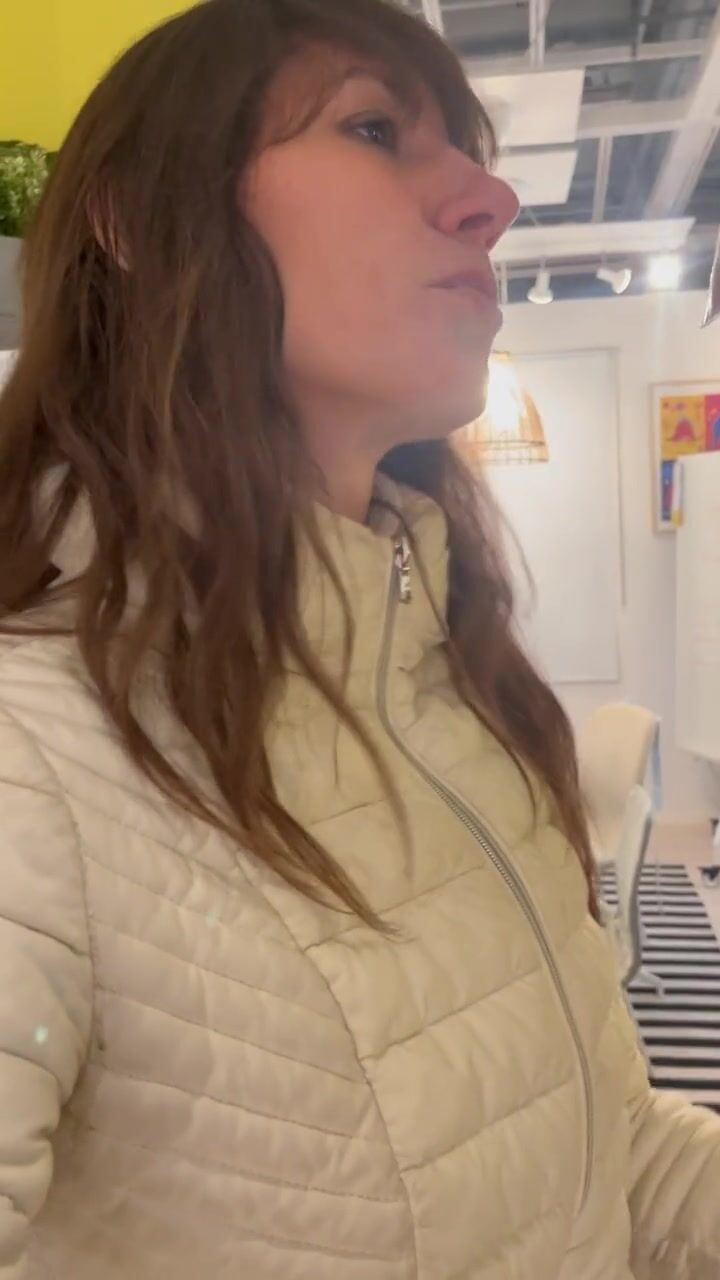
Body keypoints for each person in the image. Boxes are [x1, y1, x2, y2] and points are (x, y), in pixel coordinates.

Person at [0, 0, 718, 1276]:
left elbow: (611, 1151)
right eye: (376, 128)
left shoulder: (465, 697)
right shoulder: (31, 761)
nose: (490, 199)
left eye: (469, 150)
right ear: (137, 223)